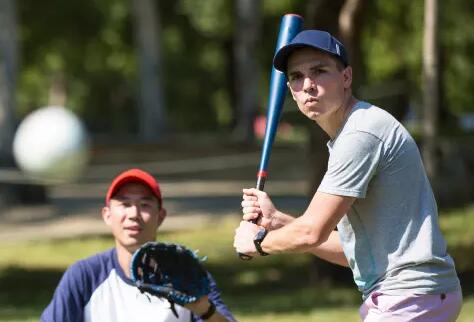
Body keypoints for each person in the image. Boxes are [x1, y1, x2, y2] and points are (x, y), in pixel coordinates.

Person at [233, 30, 462, 321]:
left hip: (409, 297)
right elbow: (351, 251)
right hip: (415, 296)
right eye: (296, 76)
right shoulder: (353, 133)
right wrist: (278, 222)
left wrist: (257, 243)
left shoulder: (360, 135)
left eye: (319, 71)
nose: (308, 85)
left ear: (347, 78)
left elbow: (310, 232)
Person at [42, 168, 236, 322]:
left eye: (144, 205)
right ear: (107, 215)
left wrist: (205, 310)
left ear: (161, 217)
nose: (134, 214)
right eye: (124, 204)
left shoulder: (186, 274)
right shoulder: (85, 276)